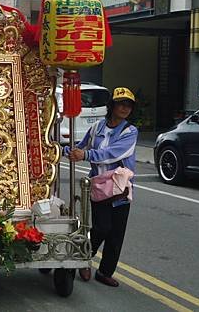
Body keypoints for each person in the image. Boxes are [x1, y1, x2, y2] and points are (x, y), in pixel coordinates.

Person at [63, 87, 138, 287]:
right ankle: (85, 257)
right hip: (99, 187)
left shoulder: (130, 131)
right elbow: (81, 146)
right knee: (101, 228)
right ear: (112, 105)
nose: (124, 108)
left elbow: (114, 153)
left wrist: (86, 156)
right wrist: (61, 149)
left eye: (128, 105)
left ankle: (105, 272)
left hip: (120, 188)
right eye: (121, 103)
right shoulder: (97, 128)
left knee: (116, 234)